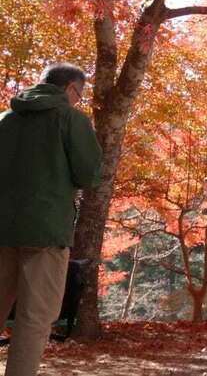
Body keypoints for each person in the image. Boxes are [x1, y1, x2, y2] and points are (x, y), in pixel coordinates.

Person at [0, 63, 102, 376]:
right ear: (70, 88)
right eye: (79, 94)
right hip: (47, 231)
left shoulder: (5, 119)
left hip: (2, 228)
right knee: (35, 318)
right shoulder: (70, 119)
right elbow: (89, 174)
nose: (78, 100)